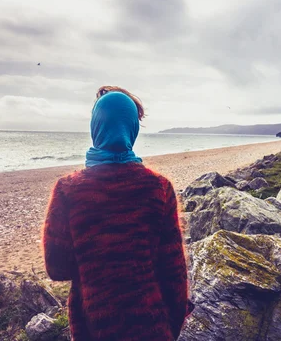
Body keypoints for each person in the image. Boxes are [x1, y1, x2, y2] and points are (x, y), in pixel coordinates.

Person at [43, 86, 191, 340]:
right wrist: (171, 328)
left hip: (91, 326)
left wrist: (94, 261)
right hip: (151, 327)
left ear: (96, 127)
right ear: (131, 129)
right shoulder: (159, 188)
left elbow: (56, 268)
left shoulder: (68, 190)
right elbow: (174, 273)